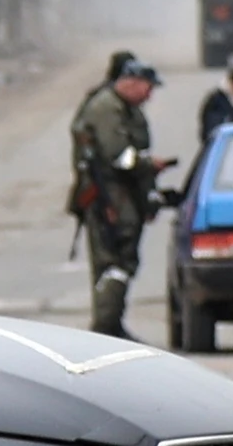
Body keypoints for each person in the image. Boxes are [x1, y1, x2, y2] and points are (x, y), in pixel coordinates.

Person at [68, 59, 169, 338]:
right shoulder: (106, 109)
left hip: (125, 196)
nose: (150, 95)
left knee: (123, 261)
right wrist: (149, 164)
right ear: (131, 83)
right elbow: (118, 156)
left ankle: (111, 323)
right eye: (148, 88)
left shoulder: (128, 110)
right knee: (113, 263)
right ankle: (105, 327)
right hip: (109, 199)